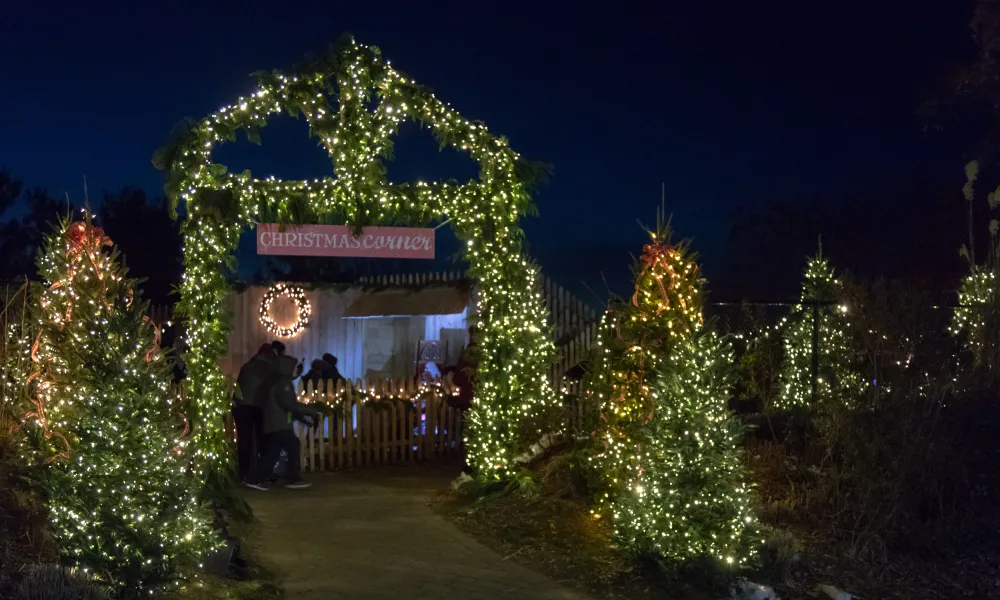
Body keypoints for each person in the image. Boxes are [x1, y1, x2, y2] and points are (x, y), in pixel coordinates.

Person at [245, 354, 321, 491]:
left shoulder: (274, 381)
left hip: (272, 424)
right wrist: (312, 412)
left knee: (272, 454)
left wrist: (304, 420)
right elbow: (290, 404)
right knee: (293, 445)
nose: (295, 370)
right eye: (293, 367)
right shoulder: (283, 385)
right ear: (286, 368)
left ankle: (254, 479)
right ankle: (294, 478)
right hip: (280, 424)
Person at [233, 344, 275, 481]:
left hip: (240, 406)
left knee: (244, 440)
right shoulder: (267, 368)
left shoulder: (247, 366)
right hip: (256, 406)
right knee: (262, 439)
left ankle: (244, 471)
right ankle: (262, 472)